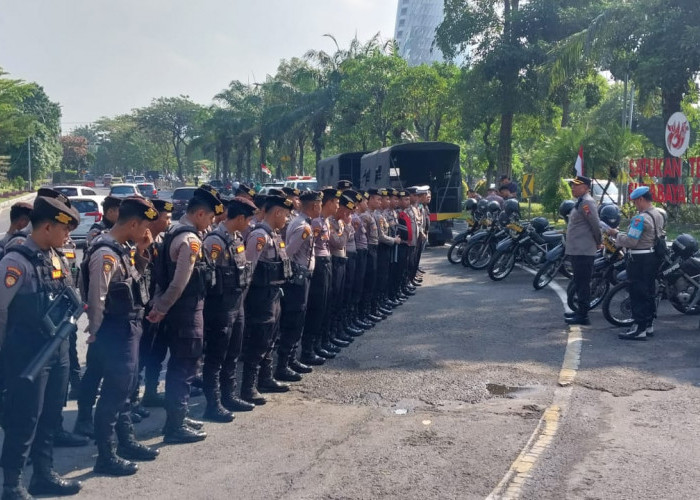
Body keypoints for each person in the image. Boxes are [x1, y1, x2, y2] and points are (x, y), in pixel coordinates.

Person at [0, 196, 82, 499]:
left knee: (50, 416)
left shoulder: (56, 256)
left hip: (56, 349)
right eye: (65, 230)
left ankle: (44, 475)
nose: (68, 236)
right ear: (47, 226)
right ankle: (12, 484)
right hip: (27, 354)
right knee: (24, 421)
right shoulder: (15, 261)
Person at [84, 197, 159, 475]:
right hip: (114, 332)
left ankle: (126, 442)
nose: (148, 232)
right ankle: (106, 455)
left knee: (125, 392)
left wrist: (141, 251)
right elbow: (97, 298)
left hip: (128, 328)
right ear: (134, 223)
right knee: (113, 395)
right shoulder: (105, 253)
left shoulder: (122, 249)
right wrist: (95, 332)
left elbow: (133, 281)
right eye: (145, 226)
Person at [147, 184, 224, 443]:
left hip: (177, 312)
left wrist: (160, 305)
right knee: (184, 366)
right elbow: (179, 282)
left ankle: (177, 416)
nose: (213, 222)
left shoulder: (172, 232)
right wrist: (161, 307)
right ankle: (174, 426)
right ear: (200, 214)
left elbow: (160, 277)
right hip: (186, 312)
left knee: (181, 366)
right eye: (211, 217)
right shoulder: (190, 240)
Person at [201, 197, 257, 422]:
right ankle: (213, 404)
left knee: (233, 352)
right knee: (216, 356)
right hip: (220, 306)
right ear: (240, 217)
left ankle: (229, 395)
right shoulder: (215, 240)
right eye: (249, 219)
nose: (251, 224)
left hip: (236, 303)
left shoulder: (235, 238)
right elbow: (206, 276)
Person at [240, 194, 293, 405]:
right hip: (260, 296)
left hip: (273, 294)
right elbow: (249, 269)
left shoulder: (274, 234)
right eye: (286, 215)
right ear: (277, 213)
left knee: (270, 338)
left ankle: (266, 377)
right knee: (258, 339)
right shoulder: (259, 236)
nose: (287, 219)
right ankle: (248, 387)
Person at [606, 186, 665, 340]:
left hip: (639, 260)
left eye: (635, 202)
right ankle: (648, 325)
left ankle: (639, 329)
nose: (635, 205)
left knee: (638, 293)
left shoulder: (640, 218)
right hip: (652, 257)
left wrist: (617, 234)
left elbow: (631, 241)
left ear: (641, 199)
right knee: (649, 292)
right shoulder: (657, 213)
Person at [276, 190, 322, 378]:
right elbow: (288, 253)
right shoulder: (304, 227)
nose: (321, 207)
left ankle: (291, 359)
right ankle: (283, 364)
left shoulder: (303, 223)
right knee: (294, 320)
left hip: (301, 277)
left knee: (298, 319)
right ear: (313, 206)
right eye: (319, 204)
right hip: (298, 279)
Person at [135, 199, 173, 409]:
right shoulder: (139, 242)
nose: (169, 221)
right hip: (141, 308)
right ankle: (131, 401)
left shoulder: (162, 242)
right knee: (139, 356)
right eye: (165, 217)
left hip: (158, 307)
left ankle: (150, 392)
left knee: (157, 352)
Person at [301, 189, 341, 364]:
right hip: (317, 266)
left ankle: (319, 343)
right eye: (336, 202)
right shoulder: (316, 222)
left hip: (326, 262)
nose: (338, 206)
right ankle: (308, 350)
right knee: (316, 308)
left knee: (324, 306)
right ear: (329, 203)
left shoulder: (325, 221)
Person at [564, 176, 602, 326]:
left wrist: (599, 242)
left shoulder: (587, 203)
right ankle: (580, 311)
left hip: (584, 250)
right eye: (572, 185)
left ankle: (583, 315)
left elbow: (595, 224)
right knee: (579, 282)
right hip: (578, 249)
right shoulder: (580, 201)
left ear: (586, 187)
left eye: (576, 186)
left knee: (583, 283)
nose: (573, 188)